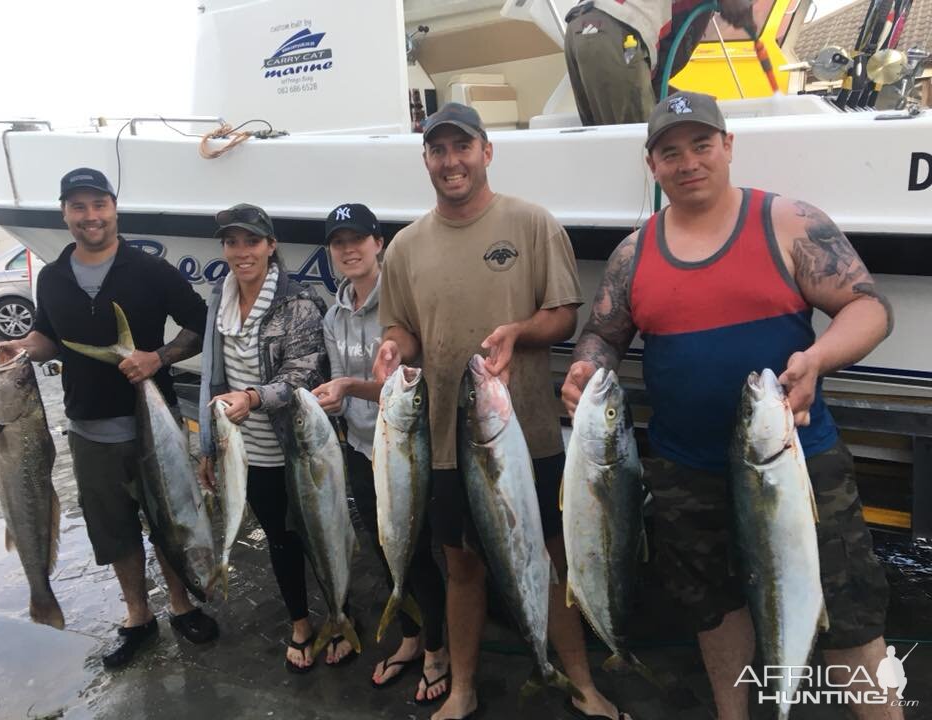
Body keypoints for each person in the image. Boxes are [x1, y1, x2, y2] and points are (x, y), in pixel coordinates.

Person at [561, 91, 900, 720]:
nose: (688, 161)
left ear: (728, 147)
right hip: (686, 472)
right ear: (652, 164)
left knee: (848, 613)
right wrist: (587, 369)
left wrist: (818, 359)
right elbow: (602, 336)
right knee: (713, 610)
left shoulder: (789, 223)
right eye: (670, 151)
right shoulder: (634, 254)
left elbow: (868, 307)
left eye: (701, 144)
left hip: (797, 464)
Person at [371, 102, 625, 720]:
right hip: (442, 439)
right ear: (426, 159)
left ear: (487, 151)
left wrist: (517, 330)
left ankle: (581, 682)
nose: (451, 161)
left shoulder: (533, 223)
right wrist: (392, 349)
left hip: (529, 433)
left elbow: (564, 315)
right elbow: (404, 329)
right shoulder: (404, 247)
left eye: (463, 147)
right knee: (461, 565)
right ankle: (463, 687)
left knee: (552, 559)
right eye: (438, 150)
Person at [0, 167, 217, 668]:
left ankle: (180, 605)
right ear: (65, 213)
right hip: (88, 428)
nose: (90, 217)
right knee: (112, 530)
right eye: (78, 207)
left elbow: (200, 324)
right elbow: (48, 337)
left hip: (154, 423)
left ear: (114, 208)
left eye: (99, 205)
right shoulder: (53, 276)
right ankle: (138, 615)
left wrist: (158, 358)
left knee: (168, 519)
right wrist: (21, 345)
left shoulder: (150, 269)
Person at [195, 204, 354, 673]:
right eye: (232, 242)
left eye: (251, 241)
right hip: (247, 454)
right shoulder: (217, 299)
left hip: (299, 449)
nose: (241, 252)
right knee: (281, 541)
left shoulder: (299, 302)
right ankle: (302, 623)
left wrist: (253, 396)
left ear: (271, 246)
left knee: (324, 534)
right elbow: (209, 379)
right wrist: (208, 445)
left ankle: (340, 615)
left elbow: (304, 373)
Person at [312, 203, 450, 702]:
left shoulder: (401, 303)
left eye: (358, 239)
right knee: (386, 552)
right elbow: (344, 386)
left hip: (406, 451)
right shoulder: (334, 314)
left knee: (416, 553)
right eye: (338, 243)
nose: (348, 250)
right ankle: (412, 637)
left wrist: (348, 385)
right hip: (359, 449)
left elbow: (409, 386)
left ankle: (437, 649)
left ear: (379, 244)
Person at [563, 0, 756, 126]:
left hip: (582, 28)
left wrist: (686, 100)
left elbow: (654, 83)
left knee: (607, 145)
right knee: (639, 151)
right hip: (617, 28)